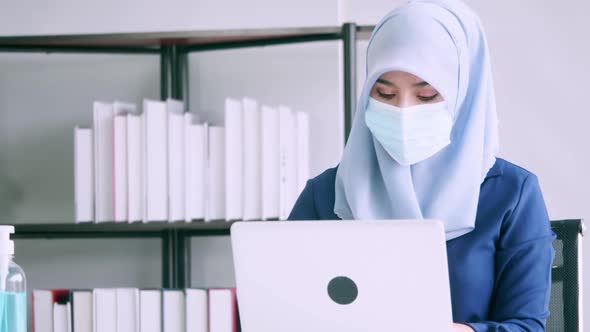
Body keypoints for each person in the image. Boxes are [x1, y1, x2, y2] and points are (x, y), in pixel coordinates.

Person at [288, 0, 556, 331]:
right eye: (384, 94)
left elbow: (527, 326)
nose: (403, 111)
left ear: (463, 94)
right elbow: (282, 308)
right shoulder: (325, 194)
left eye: (427, 96)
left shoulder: (512, 194)